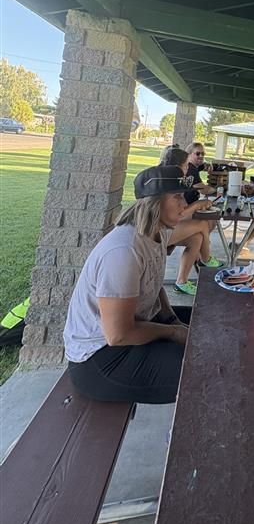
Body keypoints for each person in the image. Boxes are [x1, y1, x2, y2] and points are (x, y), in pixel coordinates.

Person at [64, 165, 193, 404]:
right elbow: (119, 334)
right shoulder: (123, 251)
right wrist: (174, 332)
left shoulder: (158, 232)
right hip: (101, 359)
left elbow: (155, 286)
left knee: (205, 322)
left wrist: (171, 318)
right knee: (200, 371)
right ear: (153, 202)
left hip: (137, 326)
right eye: (177, 197)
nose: (184, 204)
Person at [161, 147, 222, 295]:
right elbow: (176, 215)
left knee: (197, 238)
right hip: (157, 231)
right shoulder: (167, 181)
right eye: (186, 165)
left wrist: (195, 206)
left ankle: (181, 282)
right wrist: (196, 206)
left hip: (168, 226)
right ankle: (205, 259)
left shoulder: (175, 179)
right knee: (201, 224)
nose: (188, 168)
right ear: (180, 165)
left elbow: (181, 209)